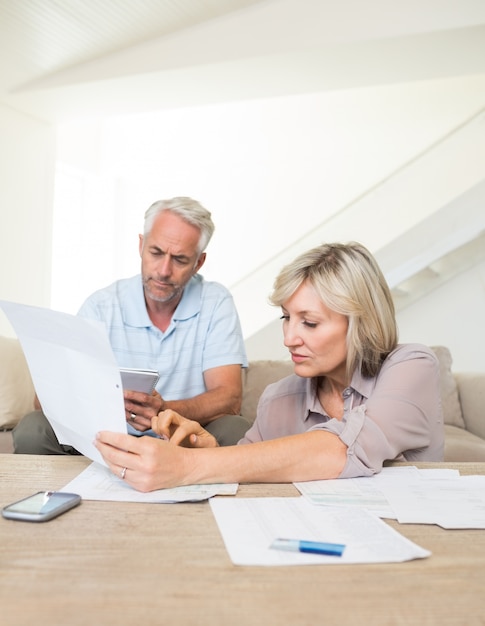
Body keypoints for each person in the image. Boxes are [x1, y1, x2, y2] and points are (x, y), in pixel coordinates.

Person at [95, 241, 445, 492]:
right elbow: (246, 467)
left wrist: (187, 467)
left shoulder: (411, 367)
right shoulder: (280, 396)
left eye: (309, 323)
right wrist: (209, 451)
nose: (289, 338)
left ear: (361, 323)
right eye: (286, 318)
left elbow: (342, 449)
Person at [13, 197, 250, 453]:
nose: (163, 270)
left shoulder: (215, 302)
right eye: (156, 253)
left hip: (182, 438)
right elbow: (48, 398)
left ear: (198, 263)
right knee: (33, 429)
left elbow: (229, 397)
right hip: (105, 438)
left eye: (180, 259)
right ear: (141, 245)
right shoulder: (101, 306)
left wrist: (167, 410)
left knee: (236, 430)